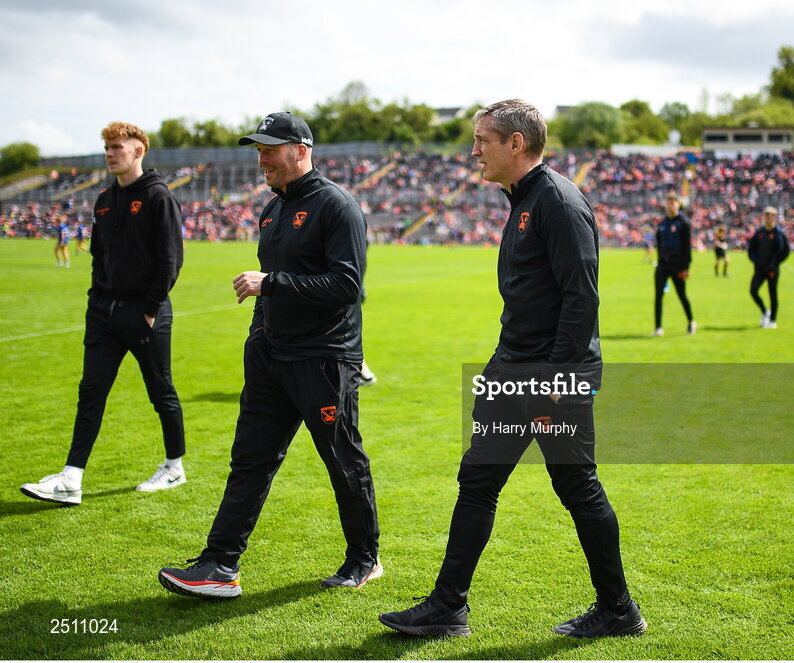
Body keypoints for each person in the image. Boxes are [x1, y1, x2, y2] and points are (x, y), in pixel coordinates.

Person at [379, 100, 646, 639]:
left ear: (515, 144)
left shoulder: (558, 202)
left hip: (550, 380)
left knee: (577, 487)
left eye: (483, 139)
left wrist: (555, 378)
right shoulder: (523, 199)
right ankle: (448, 605)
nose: (474, 150)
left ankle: (618, 609)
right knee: (478, 481)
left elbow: (580, 299)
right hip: (513, 373)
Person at [158, 112, 380, 598]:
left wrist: (270, 283)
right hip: (270, 356)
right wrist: (258, 335)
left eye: (270, 149)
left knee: (342, 460)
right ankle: (220, 565)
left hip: (322, 359)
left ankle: (364, 559)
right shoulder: (272, 209)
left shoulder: (336, 206)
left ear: (300, 150)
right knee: (250, 461)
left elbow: (347, 286)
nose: (261, 159)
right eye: (257, 150)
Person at [20, 122, 186, 506]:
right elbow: (99, 255)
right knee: (90, 393)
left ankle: (174, 466)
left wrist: (148, 309)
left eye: (117, 147)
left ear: (138, 150)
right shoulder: (104, 199)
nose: (110, 153)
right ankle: (71, 477)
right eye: (107, 148)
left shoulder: (158, 197)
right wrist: (96, 300)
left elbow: (171, 260)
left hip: (145, 314)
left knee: (161, 391)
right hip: (104, 313)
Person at [651, 194, 696, 336]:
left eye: (673, 203)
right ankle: (658, 328)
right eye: (668, 203)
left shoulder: (683, 223)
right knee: (658, 296)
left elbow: (687, 247)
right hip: (663, 265)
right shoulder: (663, 223)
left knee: (682, 295)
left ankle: (691, 321)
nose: (670, 205)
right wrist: (658, 261)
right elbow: (659, 244)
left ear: (678, 204)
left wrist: (686, 267)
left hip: (678, 265)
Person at [747, 207, 789, 329]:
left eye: (771, 215)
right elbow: (751, 250)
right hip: (759, 269)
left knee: (772, 294)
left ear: (775, 217)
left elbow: (784, 251)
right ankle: (765, 311)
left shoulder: (779, 234)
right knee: (753, 291)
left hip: (772, 270)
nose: (768, 217)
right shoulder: (759, 233)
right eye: (766, 215)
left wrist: (774, 264)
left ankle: (772, 320)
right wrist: (756, 262)